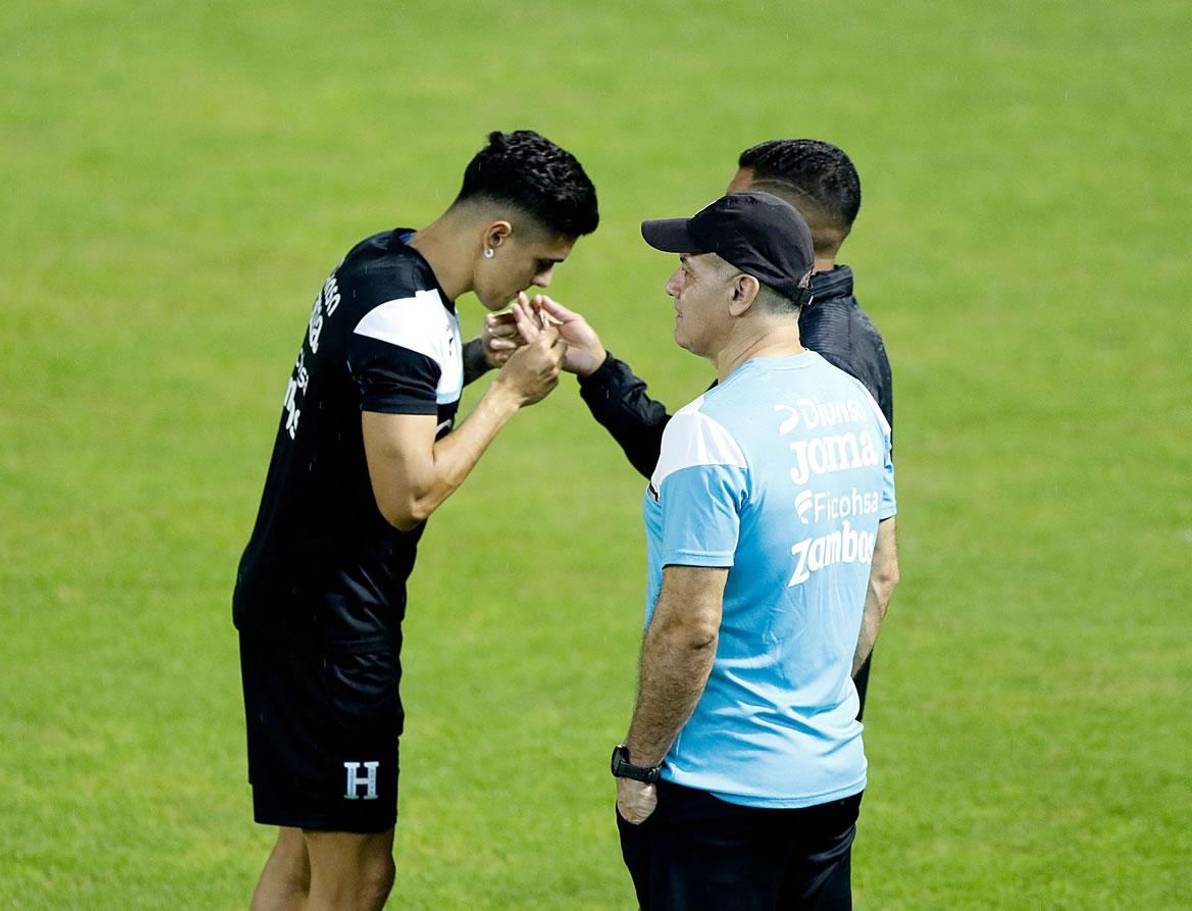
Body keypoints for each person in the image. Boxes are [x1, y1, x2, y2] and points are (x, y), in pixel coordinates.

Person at [231, 130, 598, 911]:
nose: (542, 279)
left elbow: (373, 391)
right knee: (357, 877)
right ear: (496, 235)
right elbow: (411, 496)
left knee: (301, 855)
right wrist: (509, 395)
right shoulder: (405, 314)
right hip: (329, 628)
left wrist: (472, 358)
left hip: (292, 602)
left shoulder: (380, 259)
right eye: (542, 262)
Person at [503, 140, 893, 719]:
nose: (713, 220)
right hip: (807, 741)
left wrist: (804, 717)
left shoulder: (814, 361)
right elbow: (723, 480)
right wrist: (602, 371)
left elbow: (869, 572)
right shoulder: (842, 346)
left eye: (732, 208)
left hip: (753, 738)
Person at [601, 191, 899, 909]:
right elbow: (881, 576)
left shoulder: (709, 432)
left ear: (740, 291)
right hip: (830, 779)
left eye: (687, 269)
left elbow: (690, 629)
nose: (672, 285)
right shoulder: (854, 403)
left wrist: (638, 766)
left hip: (720, 796)